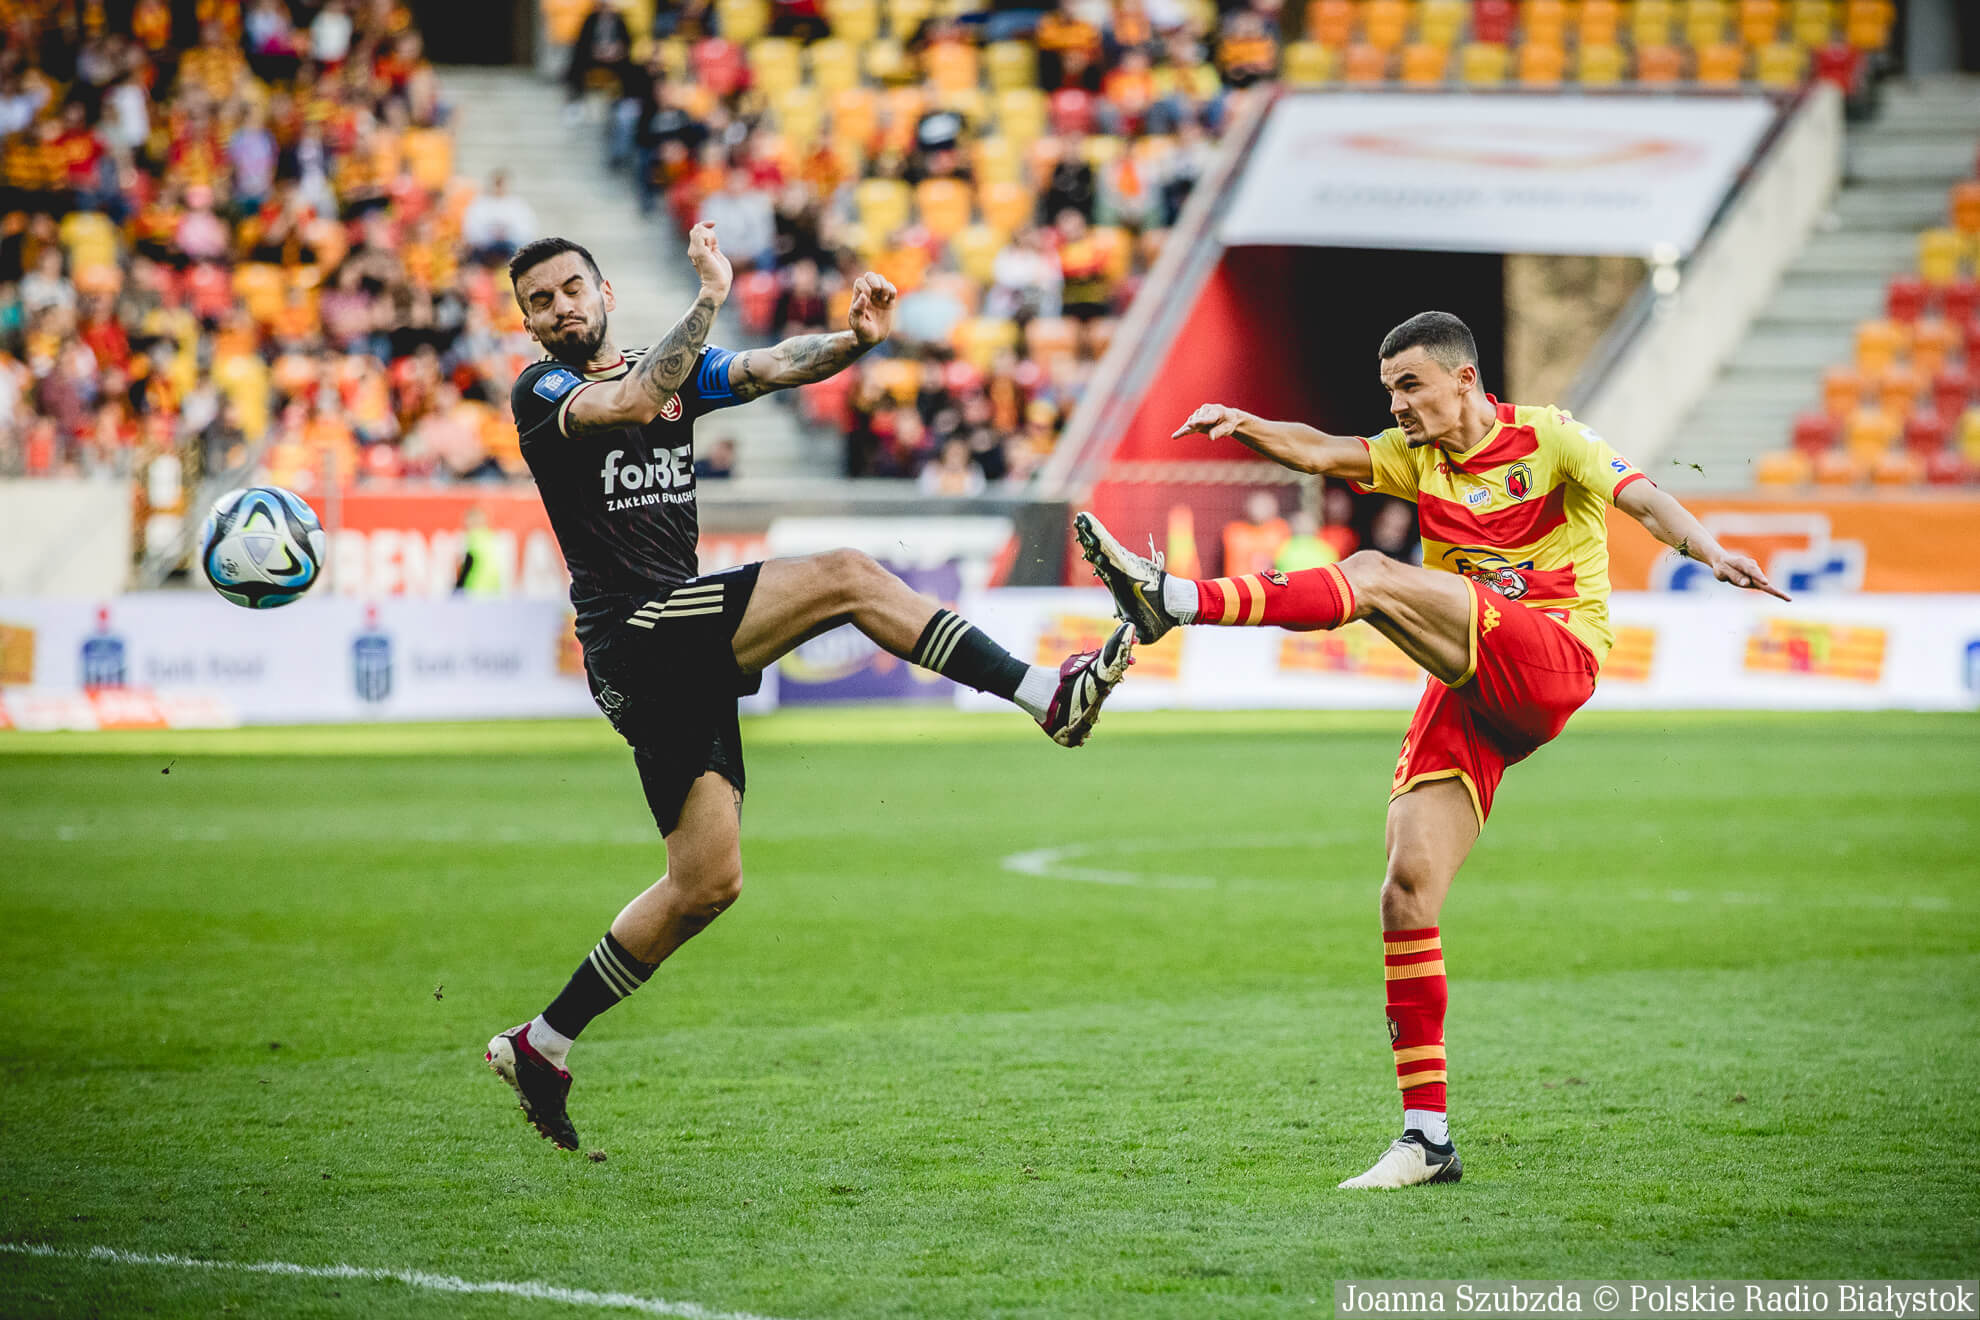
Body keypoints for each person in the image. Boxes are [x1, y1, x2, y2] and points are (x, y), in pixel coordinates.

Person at [1073, 311, 1786, 1190]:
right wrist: (1246, 423)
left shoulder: (1551, 437)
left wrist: (1710, 550)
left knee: (1374, 575)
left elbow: (1641, 497)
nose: (1398, 406)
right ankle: (1427, 1139)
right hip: (1473, 682)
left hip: (1553, 658)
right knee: (1406, 890)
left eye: (1410, 386)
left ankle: (1175, 601)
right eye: (1390, 391)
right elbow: (1321, 451)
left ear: (1464, 379)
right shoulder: (1416, 459)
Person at [485, 226, 1135, 1150]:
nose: (560, 309)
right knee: (846, 576)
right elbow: (632, 401)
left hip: (671, 644)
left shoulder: (666, 373)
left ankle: (541, 1043)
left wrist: (853, 342)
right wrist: (711, 294)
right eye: (540, 302)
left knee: (705, 884)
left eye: (570, 290)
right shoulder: (543, 392)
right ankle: (1046, 695)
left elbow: (770, 367)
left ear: (604, 294)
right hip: (637, 633)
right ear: (527, 323)